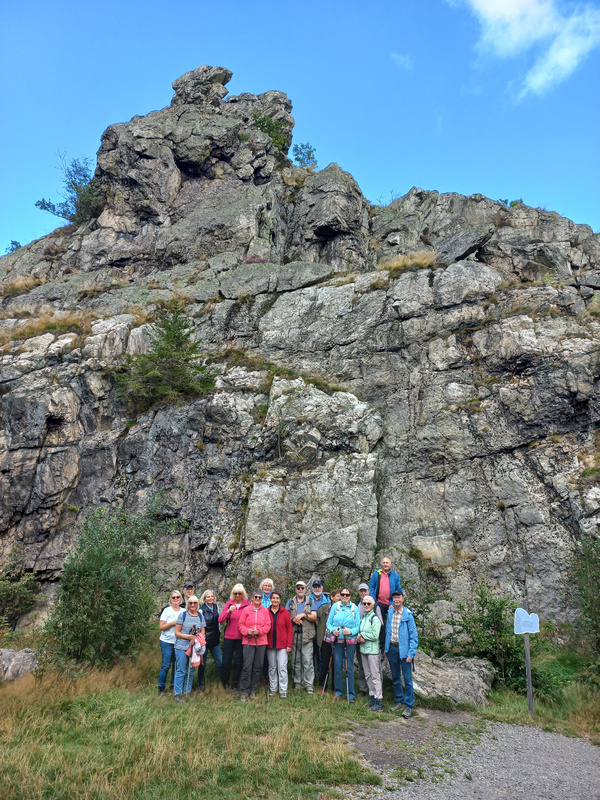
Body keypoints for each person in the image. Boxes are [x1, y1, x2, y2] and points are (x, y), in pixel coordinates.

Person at [384, 589, 418, 718]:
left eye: (399, 597)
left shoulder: (408, 614)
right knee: (396, 678)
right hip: (392, 648)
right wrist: (387, 649)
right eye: (395, 597)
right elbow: (388, 632)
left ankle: (409, 705)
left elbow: (414, 636)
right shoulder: (390, 612)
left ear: (403, 599)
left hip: (404, 650)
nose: (397, 599)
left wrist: (411, 653)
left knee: (408, 679)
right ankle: (399, 700)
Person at [326, 587, 360, 703]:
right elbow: (329, 623)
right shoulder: (335, 607)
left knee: (349, 667)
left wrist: (350, 632)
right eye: (343, 594)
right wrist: (333, 631)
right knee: (337, 666)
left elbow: (357, 626)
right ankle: (338, 692)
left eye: (347, 594)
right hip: (336, 640)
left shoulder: (354, 608)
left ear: (350, 596)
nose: (344, 596)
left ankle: (350, 694)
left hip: (350, 641)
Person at [238, 588, 272, 702]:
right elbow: (241, 624)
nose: (257, 599)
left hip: (261, 641)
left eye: (260, 597)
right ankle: (244, 691)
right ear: (252, 598)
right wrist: (247, 631)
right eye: (256, 597)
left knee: (257, 667)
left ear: (262, 599)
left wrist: (260, 631)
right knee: (247, 666)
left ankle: (252, 690)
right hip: (248, 641)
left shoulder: (265, 611)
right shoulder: (246, 610)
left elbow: (268, 625)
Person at [219, 584, 250, 696]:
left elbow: (251, 619)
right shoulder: (229, 604)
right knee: (226, 662)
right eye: (235, 593)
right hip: (229, 637)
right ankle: (224, 683)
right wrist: (228, 612)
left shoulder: (247, 604)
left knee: (238, 662)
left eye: (239, 593)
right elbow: (220, 620)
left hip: (242, 638)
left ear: (243, 594)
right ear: (233, 594)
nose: (237, 595)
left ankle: (235, 685)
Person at [286, 580, 317, 694]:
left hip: (307, 636)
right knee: (296, 661)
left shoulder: (311, 601)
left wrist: (303, 615)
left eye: (302, 588)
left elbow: (314, 616)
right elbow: (285, 617)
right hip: (294, 635)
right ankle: (297, 683)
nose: (300, 590)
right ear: (295, 589)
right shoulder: (290, 602)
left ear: (305, 589)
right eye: (298, 588)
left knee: (307, 661)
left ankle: (309, 685)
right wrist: (293, 619)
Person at [174, 595, 205, 700]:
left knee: (190, 671)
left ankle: (187, 692)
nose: (193, 605)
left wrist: (196, 639)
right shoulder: (182, 615)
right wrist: (188, 637)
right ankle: (178, 693)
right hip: (181, 647)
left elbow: (203, 631)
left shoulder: (200, 616)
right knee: (181, 670)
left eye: (195, 603)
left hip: (194, 648)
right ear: (188, 604)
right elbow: (177, 632)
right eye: (190, 603)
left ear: (197, 604)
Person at [368, 557, 403, 650]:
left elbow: (399, 590)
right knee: (380, 625)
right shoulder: (376, 574)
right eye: (383, 563)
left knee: (391, 625)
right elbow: (371, 587)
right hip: (379, 603)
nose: (385, 564)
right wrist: (374, 601)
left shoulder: (395, 576)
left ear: (390, 564)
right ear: (381, 564)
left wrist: (394, 603)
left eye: (387, 563)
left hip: (391, 604)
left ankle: (390, 646)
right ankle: (381, 647)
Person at [356, 582, 383, 696]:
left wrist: (363, 636)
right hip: (363, 647)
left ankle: (378, 698)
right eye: (365, 603)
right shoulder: (360, 612)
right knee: (366, 672)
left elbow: (376, 632)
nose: (366, 605)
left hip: (372, 648)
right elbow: (359, 628)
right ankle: (371, 695)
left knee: (375, 673)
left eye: (368, 603)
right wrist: (358, 637)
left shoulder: (375, 614)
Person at [266, 589, 293, 698]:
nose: (275, 600)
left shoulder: (285, 612)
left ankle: (283, 690)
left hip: (282, 645)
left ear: (280, 600)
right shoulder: (266, 611)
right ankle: (273, 688)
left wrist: (289, 645)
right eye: (273, 598)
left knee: (282, 667)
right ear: (270, 599)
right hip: (270, 644)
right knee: (272, 667)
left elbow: (289, 630)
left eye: (277, 598)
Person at [197, 589, 223, 692]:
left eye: (212, 596)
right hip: (205, 641)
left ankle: (223, 683)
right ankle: (200, 685)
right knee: (203, 664)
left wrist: (219, 633)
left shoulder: (216, 607)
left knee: (221, 662)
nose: (210, 598)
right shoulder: (201, 610)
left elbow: (219, 622)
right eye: (208, 597)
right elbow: (199, 626)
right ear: (204, 598)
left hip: (215, 641)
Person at [158, 589, 182, 696]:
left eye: (178, 597)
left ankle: (173, 687)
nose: (176, 599)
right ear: (170, 600)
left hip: (179, 642)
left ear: (180, 599)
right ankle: (161, 689)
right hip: (167, 641)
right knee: (166, 665)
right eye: (174, 597)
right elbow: (161, 627)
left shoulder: (183, 611)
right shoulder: (167, 611)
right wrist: (173, 623)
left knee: (176, 666)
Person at [308, 579, 330, 681]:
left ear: (322, 588)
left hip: (323, 633)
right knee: (311, 655)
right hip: (310, 631)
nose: (317, 589)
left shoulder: (328, 601)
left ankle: (320, 676)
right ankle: (312, 678)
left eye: (319, 587)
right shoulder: (308, 600)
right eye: (315, 587)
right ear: (312, 589)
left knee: (321, 656)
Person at [319, 589, 340, 692]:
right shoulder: (326, 608)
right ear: (332, 597)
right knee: (325, 663)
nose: (339, 598)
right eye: (337, 596)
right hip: (326, 640)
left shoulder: (343, 609)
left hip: (338, 641)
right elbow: (316, 616)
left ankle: (335, 687)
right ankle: (323, 685)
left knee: (336, 665)